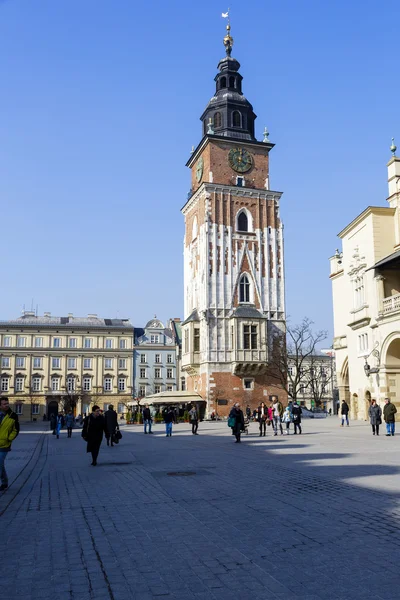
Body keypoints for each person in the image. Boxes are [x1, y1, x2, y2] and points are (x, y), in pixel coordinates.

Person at [0, 396, 20, 492]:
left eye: (7, 403)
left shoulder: (13, 415)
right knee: (1, 464)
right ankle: (4, 482)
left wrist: (9, 438)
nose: (6, 405)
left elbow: (16, 429)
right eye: (4, 404)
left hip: (4, 444)